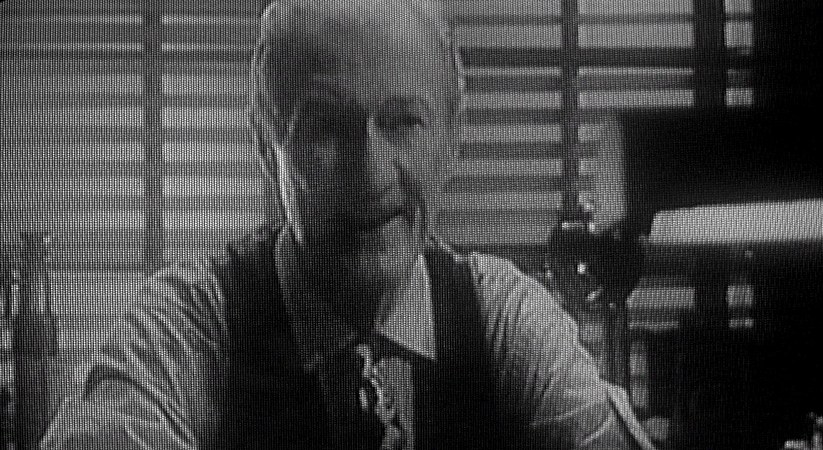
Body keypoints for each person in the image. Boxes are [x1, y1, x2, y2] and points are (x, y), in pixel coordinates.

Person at [40, 0, 655, 448]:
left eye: (402, 122)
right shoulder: (188, 326)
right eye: (326, 128)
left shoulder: (507, 318)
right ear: (267, 146)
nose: (370, 173)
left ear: (450, 142)